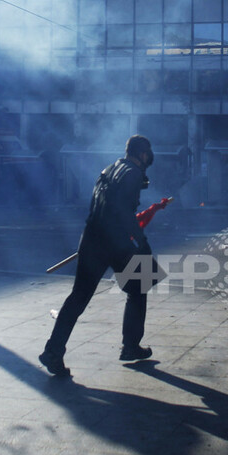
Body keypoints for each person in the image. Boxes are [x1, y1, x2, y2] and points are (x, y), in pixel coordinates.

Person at [39, 135, 164, 377]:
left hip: (92, 236)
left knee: (78, 297)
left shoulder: (109, 169)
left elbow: (102, 206)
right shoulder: (132, 173)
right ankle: (130, 346)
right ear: (142, 154)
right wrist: (141, 242)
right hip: (114, 240)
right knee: (139, 287)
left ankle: (53, 350)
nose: (149, 157)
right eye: (148, 153)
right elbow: (124, 212)